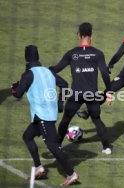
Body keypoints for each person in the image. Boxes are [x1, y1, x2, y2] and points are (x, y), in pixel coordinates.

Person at [11, 45, 79, 186]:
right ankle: (38, 167)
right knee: (27, 136)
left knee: (52, 146)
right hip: (45, 115)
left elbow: (17, 94)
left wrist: (14, 87)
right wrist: (61, 103)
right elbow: (65, 84)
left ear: (26, 58)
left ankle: (71, 173)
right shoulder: (48, 71)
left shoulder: (29, 74)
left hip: (43, 116)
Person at [50, 22, 112, 154]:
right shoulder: (97, 54)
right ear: (91, 36)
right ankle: (106, 147)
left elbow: (56, 69)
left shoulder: (72, 54)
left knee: (66, 119)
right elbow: (105, 73)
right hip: (92, 94)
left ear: (79, 36)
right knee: (96, 120)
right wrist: (109, 92)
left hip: (76, 93)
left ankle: (58, 147)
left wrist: (43, 70)